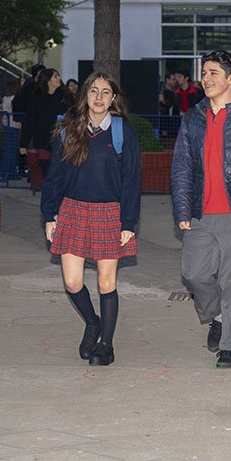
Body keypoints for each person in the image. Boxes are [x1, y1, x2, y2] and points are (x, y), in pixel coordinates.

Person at [171, 50, 231, 369]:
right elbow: (182, 167)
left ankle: (230, 345)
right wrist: (182, 209)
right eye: (204, 72)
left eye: (213, 72)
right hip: (200, 214)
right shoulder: (192, 119)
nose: (206, 78)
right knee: (194, 274)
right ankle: (215, 316)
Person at [41, 72, 142, 366]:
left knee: (106, 282)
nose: (99, 97)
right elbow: (54, 177)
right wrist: (50, 214)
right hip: (72, 211)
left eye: (105, 92)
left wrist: (128, 223)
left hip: (110, 213)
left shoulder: (122, 132)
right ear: (85, 95)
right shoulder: (68, 130)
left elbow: (131, 180)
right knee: (72, 282)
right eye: (94, 91)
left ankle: (106, 346)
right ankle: (92, 322)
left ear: (113, 99)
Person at [19, 68, 71, 180]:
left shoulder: (66, 97)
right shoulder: (36, 99)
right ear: (48, 80)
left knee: (61, 174)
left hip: (62, 142)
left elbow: (75, 114)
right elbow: (29, 121)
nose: (59, 78)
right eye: (55, 76)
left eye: (58, 76)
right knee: (48, 174)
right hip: (43, 142)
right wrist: (23, 143)